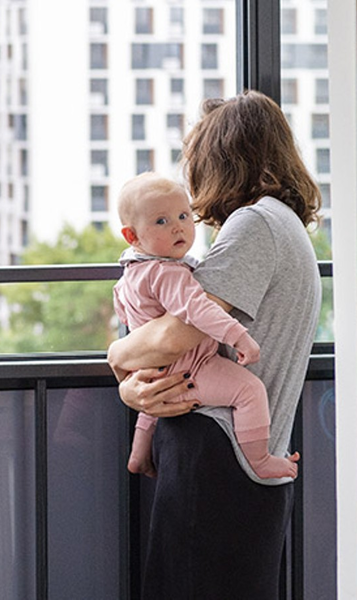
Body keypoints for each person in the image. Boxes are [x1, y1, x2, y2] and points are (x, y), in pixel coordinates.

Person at [108, 90, 321, 599]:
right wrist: (132, 387)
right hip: (247, 457)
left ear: (220, 158)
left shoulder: (254, 224)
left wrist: (116, 359)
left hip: (218, 453)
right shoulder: (285, 225)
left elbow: (175, 336)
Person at [112, 172, 299, 480]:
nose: (178, 226)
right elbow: (198, 310)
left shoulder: (129, 275)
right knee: (249, 390)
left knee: (154, 403)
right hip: (191, 370)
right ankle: (260, 459)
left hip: (152, 373)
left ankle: (138, 456)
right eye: (161, 221)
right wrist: (239, 337)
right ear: (132, 236)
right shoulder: (168, 273)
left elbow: (125, 316)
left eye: (184, 215)